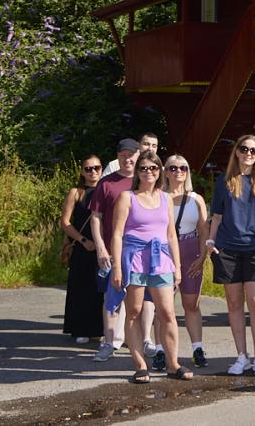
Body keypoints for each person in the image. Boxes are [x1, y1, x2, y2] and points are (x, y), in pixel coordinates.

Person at [106, 151, 192, 383]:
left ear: (159, 171)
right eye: (143, 168)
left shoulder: (165, 198)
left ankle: (173, 364)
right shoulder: (127, 197)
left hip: (161, 259)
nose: (148, 172)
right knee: (134, 311)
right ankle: (140, 364)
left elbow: (171, 235)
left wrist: (177, 266)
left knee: (167, 313)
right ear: (137, 171)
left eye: (153, 168)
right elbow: (116, 234)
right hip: (134, 259)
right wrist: (117, 268)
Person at [207, 135, 255, 377]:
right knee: (234, 303)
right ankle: (242, 356)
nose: (248, 153)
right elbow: (216, 216)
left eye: (253, 150)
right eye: (244, 149)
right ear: (236, 152)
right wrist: (210, 241)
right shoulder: (225, 181)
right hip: (227, 248)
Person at [102, 132, 160, 355]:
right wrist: (110, 255)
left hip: (154, 255)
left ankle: (146, 341)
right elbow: (111, 227)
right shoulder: (117, 186)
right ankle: (113, 342)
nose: (148, 171)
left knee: (150, 302)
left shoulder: (158, 189)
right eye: (123, 155)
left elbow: (167, 230)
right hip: (126, 252)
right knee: (121, 301)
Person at [89, 137, 141, 362]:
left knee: (143, 301)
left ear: (138, 156)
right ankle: (108, 343)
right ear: (118, 156)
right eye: (123, 155)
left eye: (131, 154)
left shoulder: (146, 181)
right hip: (112, 251)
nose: (127, 158)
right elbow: (96, 217)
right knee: (112, 299)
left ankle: (143, 342)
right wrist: (100, 247)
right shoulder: (106, 183)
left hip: (140, 252)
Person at [163, 154, 210, 368]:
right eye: (173, 168)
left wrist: (202, 257)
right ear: (165, 172)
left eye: (183, 167)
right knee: (163, 307)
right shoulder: (158, 197)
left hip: (190, 249)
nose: (178, 171)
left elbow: (203, 230)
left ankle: (197, 347)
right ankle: (161, 350)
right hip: (164, 252)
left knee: (191, 303)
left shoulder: (196, 198)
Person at [61, 155, 104, 344]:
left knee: (100, 289)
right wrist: (82, 239)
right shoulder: (76, 192)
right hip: (81, 246)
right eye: (88, 169)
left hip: (103, 246)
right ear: (82, 172)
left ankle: (99, 329)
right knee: (81, 288)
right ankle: (80, 329)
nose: (93, 172)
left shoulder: (106, 190)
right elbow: (65, 222)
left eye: (96, 168)